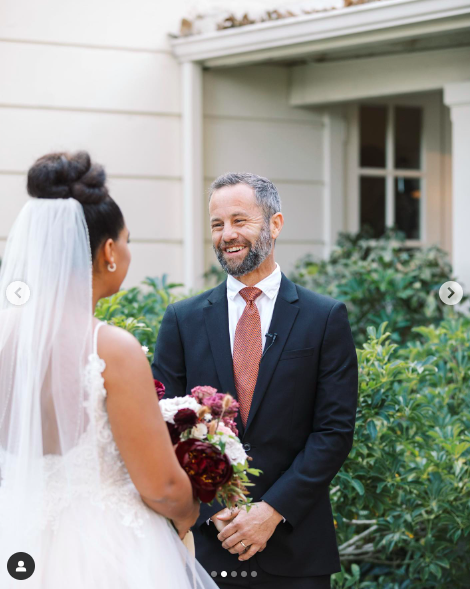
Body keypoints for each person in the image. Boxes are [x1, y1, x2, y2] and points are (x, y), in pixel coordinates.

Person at [0, 151, 217, 588]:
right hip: (109, 555)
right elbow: (161, 487)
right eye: (128, 239)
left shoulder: (7, 342)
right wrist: (190, 509)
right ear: (110, 251)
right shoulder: (110, 349)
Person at [152, 173, 358, 589]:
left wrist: (271, 511)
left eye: (239, 221)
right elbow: (160, 427)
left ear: (275, 224)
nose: (226, 234)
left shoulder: (324, 318)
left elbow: (333, 431)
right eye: (216, 224)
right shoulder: (182, 320)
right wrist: (212, 512)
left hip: (296, 549)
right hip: (205, 549)